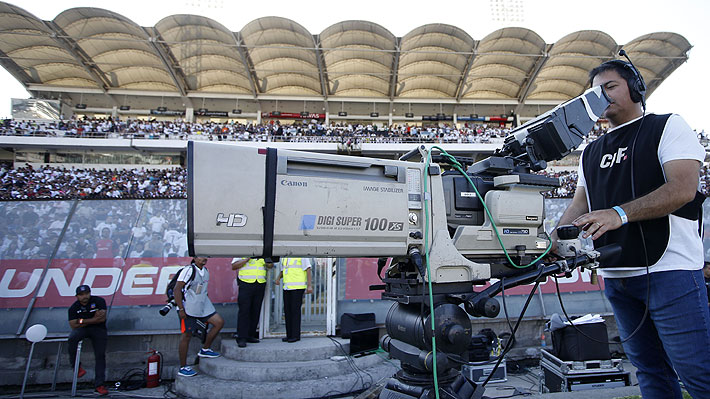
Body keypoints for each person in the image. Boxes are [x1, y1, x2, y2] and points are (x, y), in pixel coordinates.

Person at [552, 58, 710, 398]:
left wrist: (618, 214)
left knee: (699, 374)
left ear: (636, 88)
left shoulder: (668, 125)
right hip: (617, 278)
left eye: (610, 87)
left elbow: (683, 188)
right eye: (595, 92)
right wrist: (554, 238)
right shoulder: (591, 150)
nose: (602, 96)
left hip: (669, 270)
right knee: (650, 373)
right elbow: (581, 203)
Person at [173, 256, 224, 377]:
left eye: (206, 256)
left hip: (202, 304)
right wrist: (181, 309)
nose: (204, 258)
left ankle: (205, 349)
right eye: (201, 256)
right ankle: (183, 367)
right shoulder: (188, 270)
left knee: (219, 322)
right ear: (194, 258)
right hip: (188, 307)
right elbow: (177, 289)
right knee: (186, 335)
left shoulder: (206, 271)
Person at [67, 285, 109, 396]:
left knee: (100, 355)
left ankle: (99, 385)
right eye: (81, 295)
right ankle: (76, 366)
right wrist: (93, 319)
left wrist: (81, 320)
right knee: (72, 338)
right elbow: (73, 324)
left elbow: (102, 318)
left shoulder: (99, 301)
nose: (84, 296)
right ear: (77, 296)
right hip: (82, 329)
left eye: (86, 293)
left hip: (98, 329)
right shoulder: (74, 307)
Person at [231, 257, 273, 347]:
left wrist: (268, 262)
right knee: (244, 311)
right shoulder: (243, 252)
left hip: (260, 283)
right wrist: (247, 259)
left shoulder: (263, 254)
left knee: (256, 310)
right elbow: (234, 266)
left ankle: (250, 335)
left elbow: (270, 266)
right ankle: (241, 337)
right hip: (246, 284)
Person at [274, 258, 313, 342]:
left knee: (295, 311)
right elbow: (283, 270)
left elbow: (308, 269)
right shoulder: (285, 257)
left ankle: (295, 335)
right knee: (287, 311)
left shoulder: (301, 255)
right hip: (287, 287)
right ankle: (289, 335)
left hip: (298, 287)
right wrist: (278, 278)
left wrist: (309, 285)